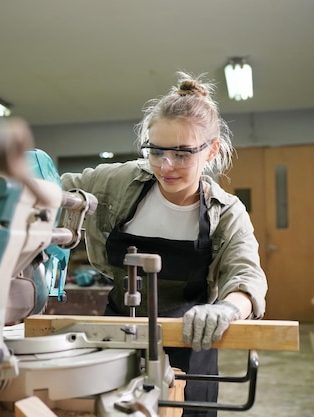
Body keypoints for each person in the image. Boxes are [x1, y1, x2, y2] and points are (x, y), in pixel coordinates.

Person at [60, 72, 267, 417]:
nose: (165, 166)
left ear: (211, 150)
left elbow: (246, 277)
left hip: (192, 339)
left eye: (182, 154)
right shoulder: (120, 182)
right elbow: (57, 189)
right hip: (118, 337)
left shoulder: (226, 212)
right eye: (156, 151)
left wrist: (226, 310)